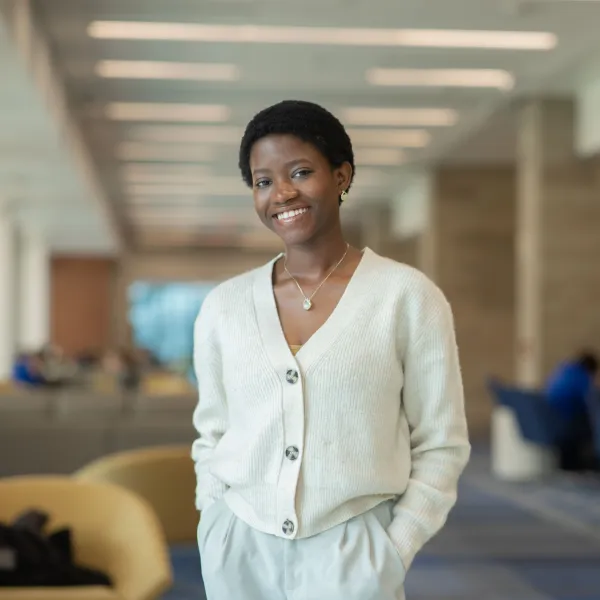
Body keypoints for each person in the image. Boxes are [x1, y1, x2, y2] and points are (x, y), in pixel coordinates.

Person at [191, 100, 470, 600]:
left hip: (354, 551)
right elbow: (212, 431)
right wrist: (214, 523)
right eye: (263, 181)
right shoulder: (224, 306)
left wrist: (392, 548)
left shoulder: (406, 297)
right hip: (239, 548)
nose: (283, 193)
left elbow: (441, 444)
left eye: (301, 171)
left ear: (342, 176)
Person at [545, 350, 598, 471]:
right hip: (566, 420)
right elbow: (589, 400)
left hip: (553, 418)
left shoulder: (563, 371)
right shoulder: (581, 377)